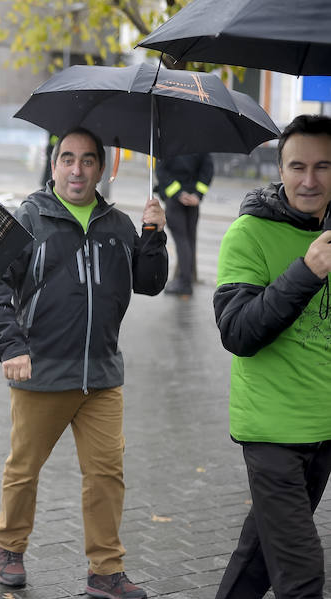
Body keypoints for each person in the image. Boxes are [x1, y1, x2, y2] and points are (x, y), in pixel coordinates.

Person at [0, 127, 167, 597]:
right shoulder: (28, 220)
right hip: (41, 373)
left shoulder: (119, 225)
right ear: (54, 164)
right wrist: (12, 347)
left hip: (101, 374)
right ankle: (11, 547)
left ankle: (105, 570)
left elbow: (149, 283)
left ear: (101, 169)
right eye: (67, 159)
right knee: (24, 469)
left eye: (86, 160)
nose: (76, 169)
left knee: (106, 475)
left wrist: (154, 236)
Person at [213, 114, 331, 599]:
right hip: (271, 434)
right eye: (297, 166)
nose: (309, 180)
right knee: (302, 578)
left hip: (322, 427)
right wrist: (306, 270)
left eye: (324, 166)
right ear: (278, 169)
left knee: (258, 560)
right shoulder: (248, 234)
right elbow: (238, 331)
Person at [156, 152, 214, 297]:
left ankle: (184, 282)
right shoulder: (200, 143)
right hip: (193, 202)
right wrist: (197, 195)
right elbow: (208, 170)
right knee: (189, 240)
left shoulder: (169, 143)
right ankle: (187, 279)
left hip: (175, 202)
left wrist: (178, 193)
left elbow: (161, 171)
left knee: (182, 241)